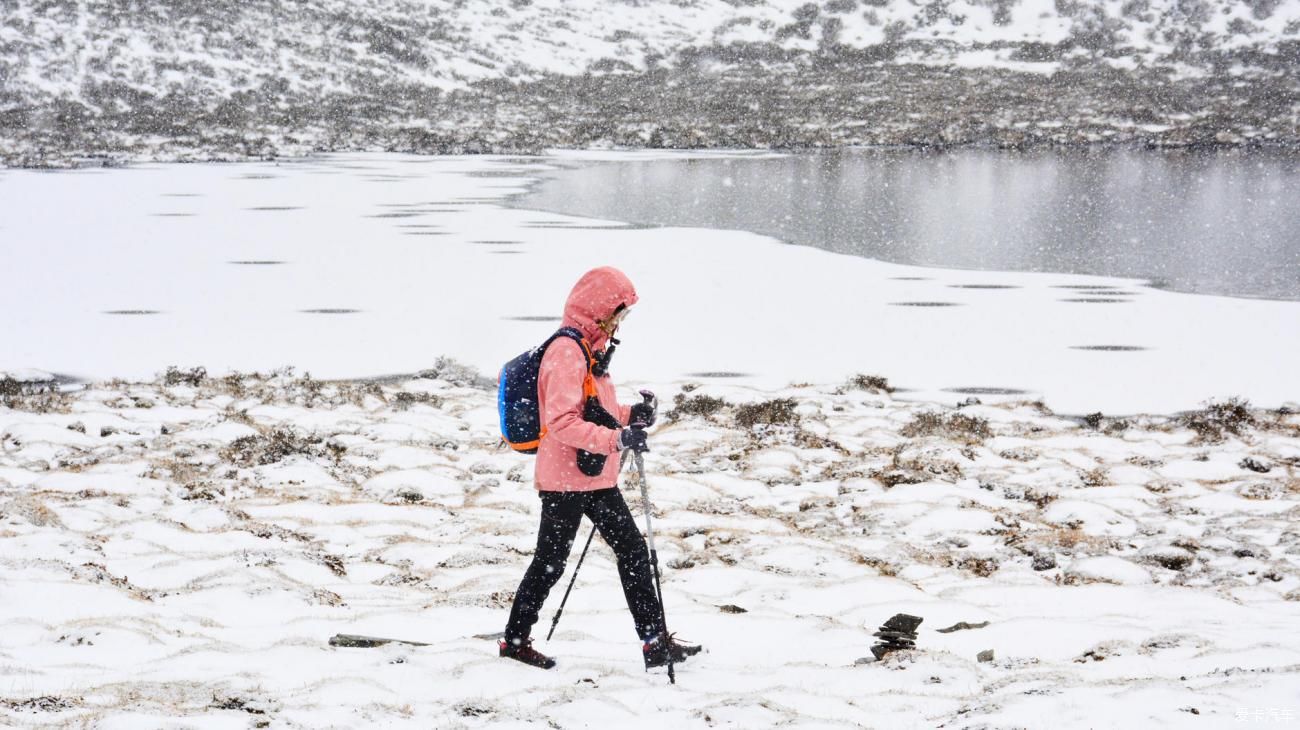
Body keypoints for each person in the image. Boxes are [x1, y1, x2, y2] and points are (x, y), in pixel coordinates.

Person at [499, 266, 702, 670]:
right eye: (617, 313)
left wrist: (631, 415)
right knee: (551, 561)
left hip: (591, 477)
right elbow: (561, 421)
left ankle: (654, 642)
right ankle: (515, 642)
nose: (620, 321)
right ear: (597, 310)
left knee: (630, 551)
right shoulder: (566, 352)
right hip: (564, 480)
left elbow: (597, 409)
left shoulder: (589, 351)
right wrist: (617, 439)